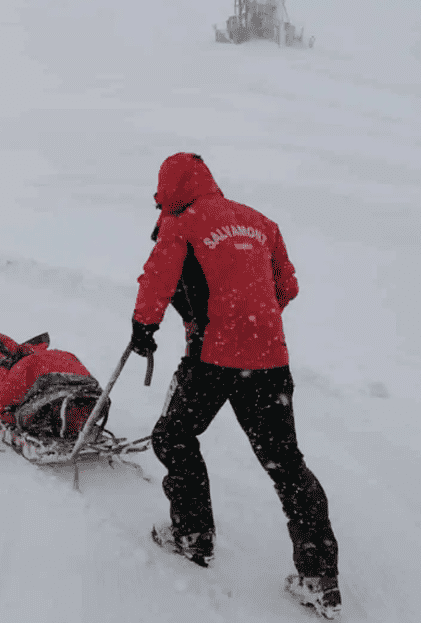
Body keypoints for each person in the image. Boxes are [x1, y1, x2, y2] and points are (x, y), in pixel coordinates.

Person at [130, 152, 342, 619]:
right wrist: (253, 323)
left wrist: (143, 329)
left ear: (173, 187)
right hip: (269, 360)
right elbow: (287, 286)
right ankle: (320, 578)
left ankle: (192, 536)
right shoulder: (260, 222)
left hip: (211, 359)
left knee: (174, 436)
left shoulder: (181, 224)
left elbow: (157, 282)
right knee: (285, 462)